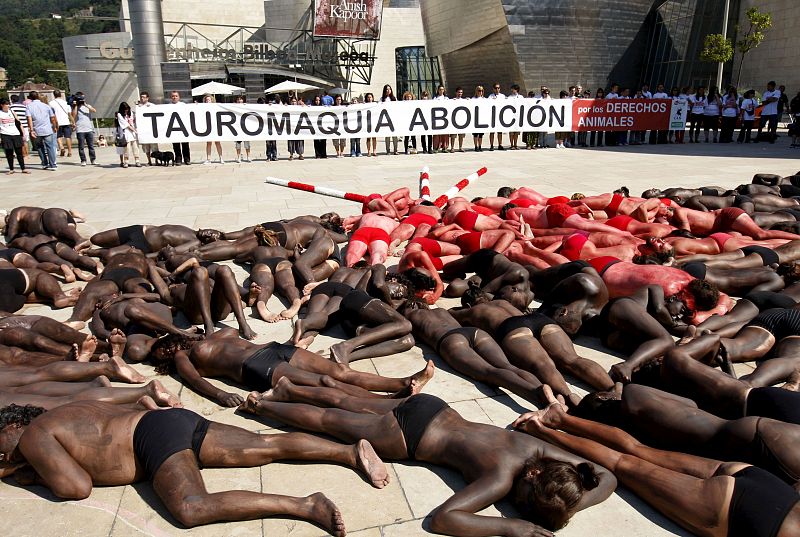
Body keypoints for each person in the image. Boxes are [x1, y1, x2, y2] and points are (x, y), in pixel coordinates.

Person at [241, 386, 616, 535]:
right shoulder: (500, 478)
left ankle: (288, 388)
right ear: (532, 478)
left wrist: (569, 499)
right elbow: (442, 520)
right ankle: (265, 404)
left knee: (343, 401)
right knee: (329, 420)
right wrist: (510, 528)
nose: (512, 505)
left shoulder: (537, 453)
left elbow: (606, 477)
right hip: (409, 437)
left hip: (434, 406)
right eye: (522, 501)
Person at [0, 401, 390, 535]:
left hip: (150, 441)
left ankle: (305, 505)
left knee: (190, 507)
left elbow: (75, 487)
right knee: (263, 445)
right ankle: (348, 453)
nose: (4, 456)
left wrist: (20, 474)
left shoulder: (33, 436)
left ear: (12, 426)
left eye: (1, 449)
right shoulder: (59, 415)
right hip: (170, 421)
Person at [514, 390, 800, 537]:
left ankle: (558, 419)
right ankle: (541, 429)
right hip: (747, 516)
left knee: (638, 449)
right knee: (623, 463)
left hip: (771, 489)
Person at [25, 91, 58, 171]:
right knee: (50, 147)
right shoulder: (46, 106)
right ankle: (53, 164)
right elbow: (52, 118)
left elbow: (29, 118)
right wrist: (54, 126)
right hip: (47, 129)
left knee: (40, 147)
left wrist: (31, 129)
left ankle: (44, 163)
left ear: (30, 97)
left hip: (37, 130)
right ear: (38, 97)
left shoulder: (29, 106)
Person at [0, 98, 28, 175]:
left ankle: (23, 168)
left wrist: (23, 132)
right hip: (5, 134)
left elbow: (18, 122)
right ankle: (11, 169)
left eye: (8, 104)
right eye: (6, 104)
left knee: (19, 152)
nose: (8, 106)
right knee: (9, 153)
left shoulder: (12, 111)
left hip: (16, 134)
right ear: (2, 105)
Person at [71, 94, 96, 166]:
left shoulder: (87, 106)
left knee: (91, 146)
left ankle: (93, 159)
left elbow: (94, 110)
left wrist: (85, 105)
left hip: (89, 128)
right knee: (81, 146)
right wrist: (75, 106)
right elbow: (73, 115)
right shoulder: (75, 108)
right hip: (80, 129)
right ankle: (83, 160)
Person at [115, 102, 140, 168]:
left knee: (135, 147)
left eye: (127, 109)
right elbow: (125, 124)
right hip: (126, 133)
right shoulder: (119, 114)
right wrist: (133, 129)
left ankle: (137, 160)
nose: (126, 110)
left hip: (133, 133)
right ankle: (126, 162)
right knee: (127, 148)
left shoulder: (131, 113)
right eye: (125, 109)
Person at [49, 90, 73, 158]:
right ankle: (70, 151)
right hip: (66, 121)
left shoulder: (51, 103)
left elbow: (51, 114)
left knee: (58, 137)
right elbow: (69, 114)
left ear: (54, 95)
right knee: (67, 137)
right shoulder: (66, 103)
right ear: (61, 95)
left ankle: (61, 147)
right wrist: (73, 122)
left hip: (57, 122)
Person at [200, 94, 223, 164]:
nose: (207, 101)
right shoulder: (203, 107)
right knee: (209, 143)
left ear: (212, 100)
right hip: (208, 127)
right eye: (206, 100)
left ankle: (221, 157)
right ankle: (208, 159)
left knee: (217, 142)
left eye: (209, 100)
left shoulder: (216, 107)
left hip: (215, 126)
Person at [169, 91, 190, 165]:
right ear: (171, 97)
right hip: (172, 128)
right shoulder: (168, 106)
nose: (174, 97)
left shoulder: (183, 105)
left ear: (179, 97)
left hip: (183, 127)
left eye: (176, 96)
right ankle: (178, 159)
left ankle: (187, 159)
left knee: (185, 144)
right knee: (176, 145)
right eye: (173, 96)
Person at [136, 91, 158, 166]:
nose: (142, 98)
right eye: (141, 97)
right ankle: (149, 161)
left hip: (152, 129)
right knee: (146, 147)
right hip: (143, 130)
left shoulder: (152, 106)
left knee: (154, 147)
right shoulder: (138, 107)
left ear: (147, 98)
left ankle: (156, 160)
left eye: (144, 97)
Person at [231, 95, 251, 163]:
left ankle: (248, 156)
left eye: (241, 99)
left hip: (245, 128)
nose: (239, 100)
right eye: (238, 99)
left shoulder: (246, 106)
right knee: (238, 144)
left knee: (247, 143)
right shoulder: (233, 107)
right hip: (237, 128)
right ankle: (239, 157)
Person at [9, 95, 29, 159]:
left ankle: (23, 154)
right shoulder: (24, 107)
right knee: (25, 141)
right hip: (25, 125)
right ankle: (27, 154)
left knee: (19, 141)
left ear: (12, 100)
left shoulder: (11, 107)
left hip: (16, 126)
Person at [380, 84, 398, 155]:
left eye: (389, 89)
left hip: (393, 118)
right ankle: (388, 150)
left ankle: (395, 150)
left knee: (395, 135)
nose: (388, 90)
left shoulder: (394, 98)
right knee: (387, 135)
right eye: (387, 89)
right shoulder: (382, 99)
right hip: (385, 119)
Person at [488, 82, 506, 150]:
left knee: (500, 131)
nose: (497, 89)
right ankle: (491, 145)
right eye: (496, 88)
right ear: (493, 89)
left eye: (498, 88)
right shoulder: (490, 96)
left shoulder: (503, 96)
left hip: (500, 116)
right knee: (492, 131)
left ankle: (500, 144)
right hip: (493, 116)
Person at [449, 86, 466, 151]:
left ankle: (460, 147)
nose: (460, 94)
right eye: (459, 92)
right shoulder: (453, 100)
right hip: (454, 120)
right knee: (453, 135)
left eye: (461, 92)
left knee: (461, 135)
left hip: (462, 120)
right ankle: (452, 147)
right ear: (456, 93)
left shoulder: (464, 100)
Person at [432, 84, 449, 152]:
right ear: (438, 90)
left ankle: (445, 147)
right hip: (437, 117)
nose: (441, 91)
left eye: (442, 89)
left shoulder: (446, 98)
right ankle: (436, 147)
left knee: (445, 133)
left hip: (445, 118)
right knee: (437, 133)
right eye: (440, 89)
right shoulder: (435, 98)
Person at [311, 95, 328, 159]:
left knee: (323, 140)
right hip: (315, 126)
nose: (317, 101)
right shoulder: (312, 107)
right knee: (316, 141)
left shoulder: (323, 107)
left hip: (322, 126)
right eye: (316, 100)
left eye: (319, 100)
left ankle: (324, 154)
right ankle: (317, 154)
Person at [472, 86, 486, 151]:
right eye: (479, 90)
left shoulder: (484, 99)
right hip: (475, 118)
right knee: (475, 134)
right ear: (476, 91)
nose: (480, 92)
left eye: (481, 91)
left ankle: (480, 146)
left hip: (482, 118)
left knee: (481, 134)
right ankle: (476, 146)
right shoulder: (473, 99)